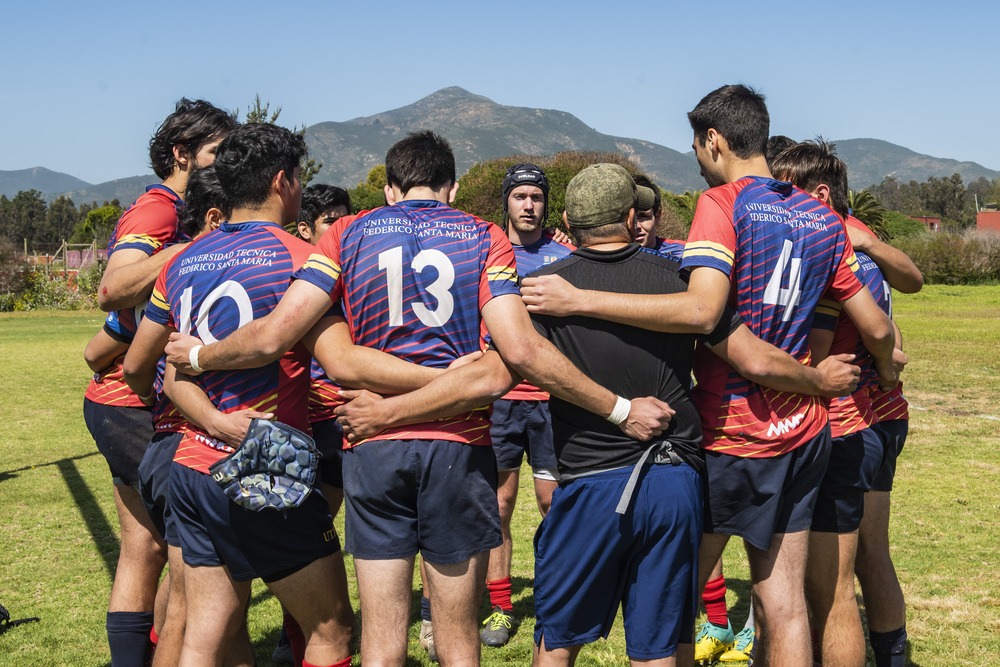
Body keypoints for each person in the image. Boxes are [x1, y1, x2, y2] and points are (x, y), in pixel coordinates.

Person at [164, 130, 675, 665]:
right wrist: (457, 382)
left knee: (383, 643)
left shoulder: (343, 233)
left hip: (372, 443)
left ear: (389, 190)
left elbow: (307, 348)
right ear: (451, 188)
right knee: (457, 637)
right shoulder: (483, 236)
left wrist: (200, 357)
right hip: (459, 444)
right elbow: (511, 358)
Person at [329, 163, 862, 666]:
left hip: (588, 482)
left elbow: (500, 372)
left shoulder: (544, 290)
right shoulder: (682, 280)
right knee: (657, 645)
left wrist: (392, 409)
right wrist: (818, 379)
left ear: (566, 222)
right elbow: (747, 353)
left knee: (556, 643)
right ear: (633, 219)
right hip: (675, 479)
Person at [519, 85, 898, 666]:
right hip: (803, 432)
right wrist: (866, 373)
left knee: (674, 595)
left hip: (734, 430)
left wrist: (577, 300)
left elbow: (701, 312)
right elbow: (876, 327)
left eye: (696, 149)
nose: (697, 162)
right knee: (785, 600)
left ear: (713, 140)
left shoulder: (723, 204)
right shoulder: (822, 216)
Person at [129, 123, 355, 667]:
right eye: (299, 178)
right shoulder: (303, 259)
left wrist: (213, 420)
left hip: (191, 463)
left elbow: (166, 370)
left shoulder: (183, 261)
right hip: (263, 466)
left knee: (207, 633)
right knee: (332, 630)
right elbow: (341, 361)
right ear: (282, 181)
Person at [82, 98, 235, 666]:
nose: (225, 162)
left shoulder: (184, 206)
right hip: (130, 401)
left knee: (146, 548)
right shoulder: (160, 209)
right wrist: (191, 248)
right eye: (217, 152)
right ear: (182, 154)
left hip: (128, 394)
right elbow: (113, 288)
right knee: (174, 551)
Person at [771, 139, 919, 667]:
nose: (778, 203)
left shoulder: (834, 247)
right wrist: (887, 358)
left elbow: (820, 351)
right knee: (867, 554)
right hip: (882, 416)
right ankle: (894, 657)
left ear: (822, 194)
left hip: (843, 425)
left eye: (787, 191)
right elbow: (903, 302)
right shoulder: (859, 238)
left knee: (824, 587)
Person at [480, 163, 575, 648]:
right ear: (508, 202)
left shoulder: (565, 255)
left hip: (551, 400)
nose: (528, 205)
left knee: (552, 502)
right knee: (498, 503)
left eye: (536, 197)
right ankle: (499, 606)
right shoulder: (486, 253)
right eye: (520, 196)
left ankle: (559, 595)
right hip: (500, 400)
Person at [631, 174, 684, 261]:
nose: (637, 226)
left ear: (657, 217)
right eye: (630, 218)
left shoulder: (680, 253)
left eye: (643, 216)